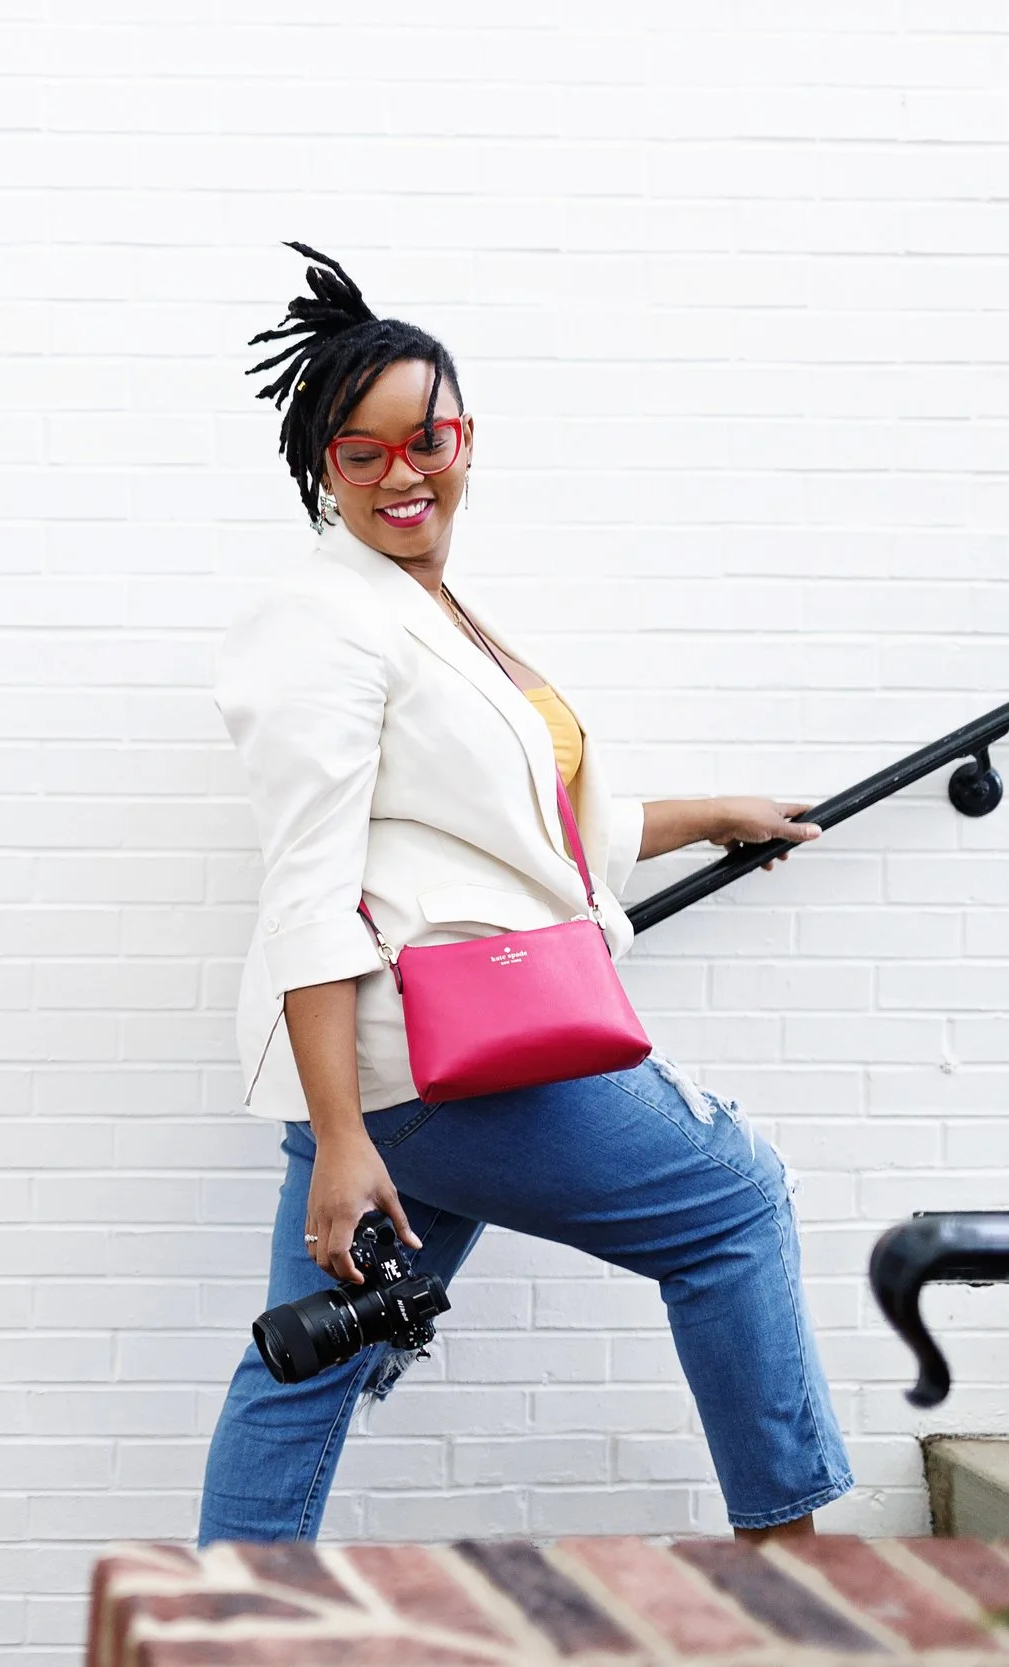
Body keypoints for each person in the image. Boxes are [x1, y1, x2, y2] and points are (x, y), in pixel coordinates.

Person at [198, 245, 851, 1544]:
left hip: (412, 1076)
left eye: (425, 437)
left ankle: (217, 1623)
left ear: (464, 435)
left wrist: (710, 815)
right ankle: (797, 1583)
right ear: (319, 464)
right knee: (732, 1204)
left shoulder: (433, 610)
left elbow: (534, 837)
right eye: (361, 451)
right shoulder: (321, 619)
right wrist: (340, 1134)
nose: (403, 472)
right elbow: (310, 885)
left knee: (314, 1352)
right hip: (436, 1065)